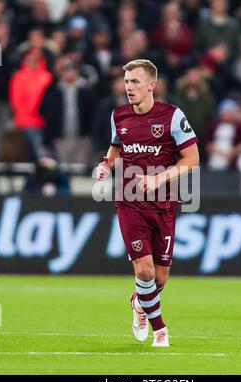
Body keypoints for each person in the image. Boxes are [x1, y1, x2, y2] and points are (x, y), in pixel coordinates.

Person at [95, 59, 199, 347]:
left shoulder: (172, 116)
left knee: (160, 277)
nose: (129, 87)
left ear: (152, 85)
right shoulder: (118, 115)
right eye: (126, 82)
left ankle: (139, 302)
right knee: (144, 271)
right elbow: (116, 147)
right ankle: (160, 330)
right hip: (129, 202)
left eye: (135, 82)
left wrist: (159, 179)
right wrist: (106, 165)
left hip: (164, 204)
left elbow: (192, 159)